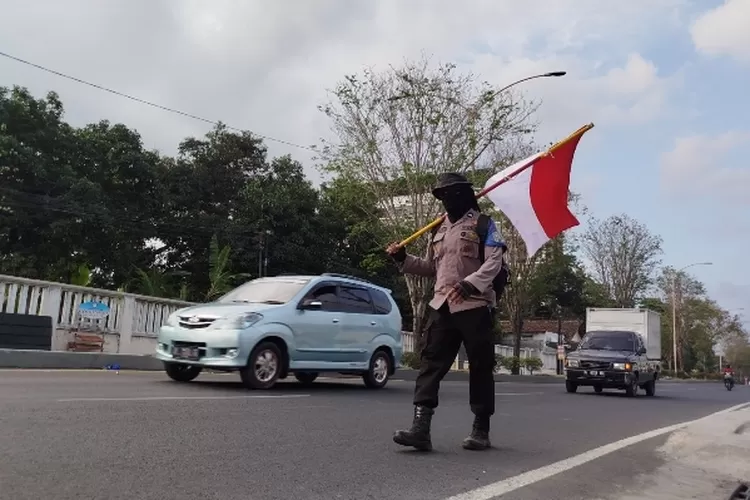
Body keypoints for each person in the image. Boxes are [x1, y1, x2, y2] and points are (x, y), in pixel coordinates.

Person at [386, 172, 506, 451]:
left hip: (474, 306)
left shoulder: (485, 224)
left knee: (480, 367)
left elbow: (494, 263)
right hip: (441, 306)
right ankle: (420, 429)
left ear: (465, 194)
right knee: (430, 364)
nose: (445, 200)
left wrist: (470, 284)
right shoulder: (437, 229)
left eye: (450, 194)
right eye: (441, 195)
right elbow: (431, 268)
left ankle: (481, 429)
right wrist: (403, 259)